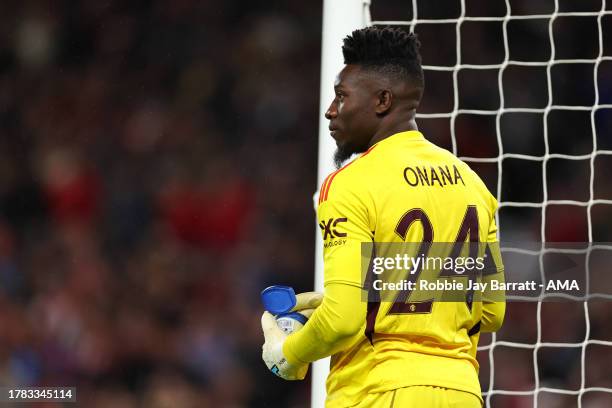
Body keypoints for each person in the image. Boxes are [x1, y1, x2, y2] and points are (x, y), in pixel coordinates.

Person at [261, 26, 505, 407]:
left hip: (379, 391)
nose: (331, 110)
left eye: (342, 96)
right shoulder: (473, 184)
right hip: (463, 392)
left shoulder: (350, 184)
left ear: (382, 101)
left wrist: (289, 354)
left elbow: (342, 320)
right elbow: (492, 311)